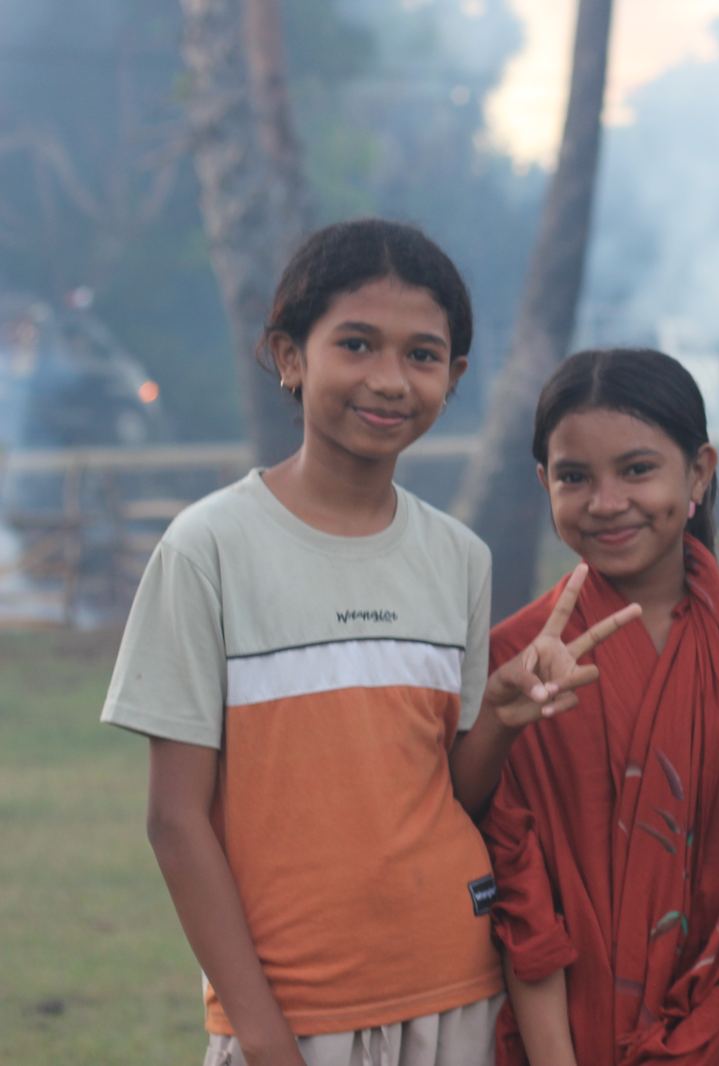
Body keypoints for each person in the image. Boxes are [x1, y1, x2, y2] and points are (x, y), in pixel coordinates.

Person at [100, 220, 633, 1066]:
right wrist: (265, 1034)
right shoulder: (208, 549)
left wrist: (497, 715)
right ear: (288, 355)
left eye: (423, 355)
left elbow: (450, 788)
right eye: (356, 343)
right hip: (288, 1011)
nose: (389, 380)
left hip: (455, 989)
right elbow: (175, 821)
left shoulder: (458, 558)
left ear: (454, 377)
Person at [480, 348, 719, 1066]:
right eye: (575, 477)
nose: (606, 502)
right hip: (571, 1039)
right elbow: (519, 885)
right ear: (544, 483)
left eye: (637, 470)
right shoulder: (518, 662)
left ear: (699, 472)